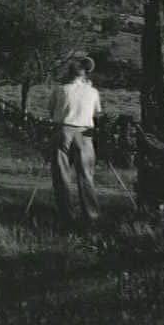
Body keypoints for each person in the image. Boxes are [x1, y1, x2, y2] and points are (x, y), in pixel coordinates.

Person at [48, 54, 103, 228]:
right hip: (85, 133)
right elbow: (96, 113)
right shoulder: (93, 92)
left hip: (63, 130)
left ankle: (66, 216)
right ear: (84, 74)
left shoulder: (60, 89)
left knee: (61, 175)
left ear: (69, 73)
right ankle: (91, 216)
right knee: (86, 175)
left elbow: (51, 111)